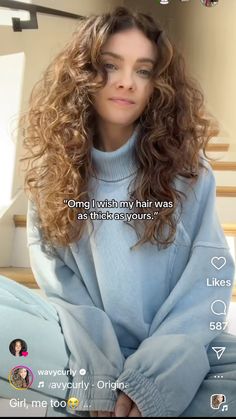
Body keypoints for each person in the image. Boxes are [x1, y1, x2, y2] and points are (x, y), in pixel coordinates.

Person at [0, 5, 236, 417]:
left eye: (143, 70)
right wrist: (103, 377)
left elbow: (209, 278)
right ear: (84, 73)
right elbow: (63, 292)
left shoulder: (189, 172)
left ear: (157, 84)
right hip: (82, 346)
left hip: (172, 350)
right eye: (110, 65)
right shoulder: (50, 175)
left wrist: (155, 377)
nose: (126, 82)